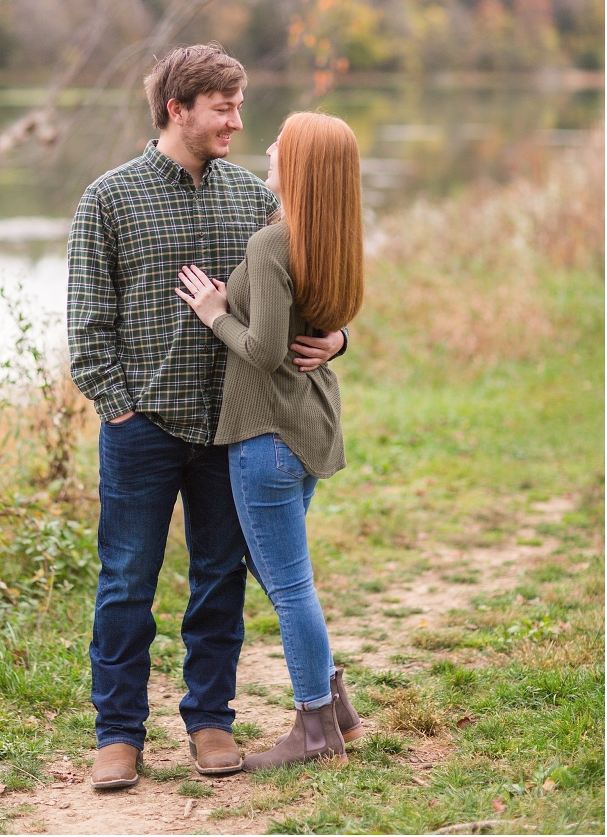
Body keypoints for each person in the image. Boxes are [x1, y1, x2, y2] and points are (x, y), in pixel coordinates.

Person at [67, 45, 347, 790]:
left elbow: (312, 285)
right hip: (143, 428)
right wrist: (118, 406)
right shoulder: (108, 198)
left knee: (218, 578)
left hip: (234, 429)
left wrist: (342, 338)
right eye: (223, 106)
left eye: (238, 103)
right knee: (127, 579)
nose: (237, 119)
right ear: (177, 109)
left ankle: (210, 720)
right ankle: (118, 736)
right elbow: (88, 325)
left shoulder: (253, 199)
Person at [175, 110, 365, 770]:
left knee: (288, 586)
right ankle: (335, 704)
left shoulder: (271, 243)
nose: (267, 147)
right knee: (276, 569)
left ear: (303, 165)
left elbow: (262, 350)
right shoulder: (330, 238)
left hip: (267, 434)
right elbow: (305, 322)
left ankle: (314, 728)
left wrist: (216, 313)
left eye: (281, 144)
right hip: (308, 426)